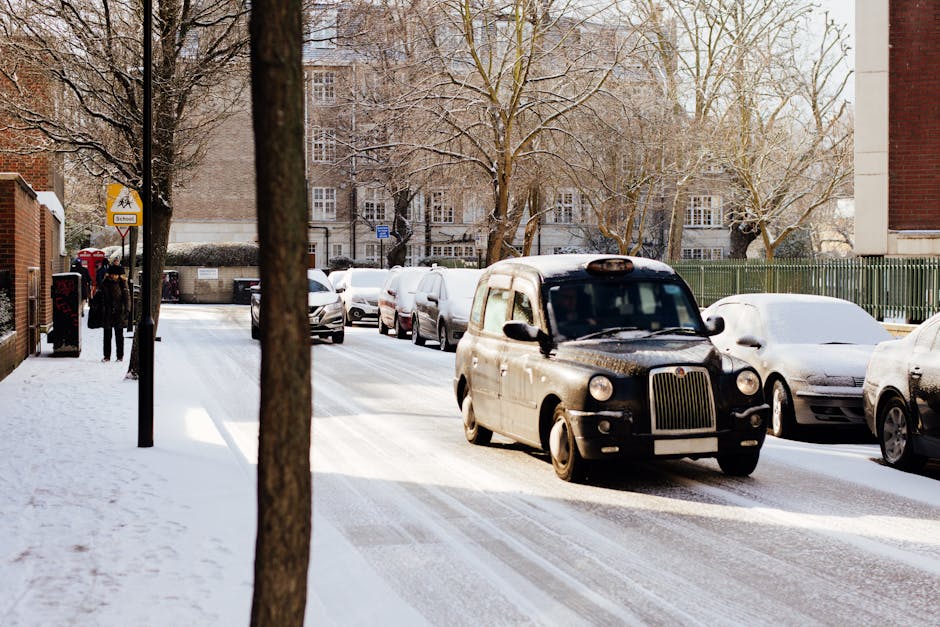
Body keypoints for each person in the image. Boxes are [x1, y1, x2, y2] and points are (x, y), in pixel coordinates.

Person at [97, 261, 130, 362]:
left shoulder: (122, 284)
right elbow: (100, 297)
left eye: (115, 274)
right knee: (107, 336)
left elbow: (126, 298)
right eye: (112, 274)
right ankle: (107, 356)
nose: (113, 276)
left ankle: (119, 356)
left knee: (119, 336)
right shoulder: (105, 283)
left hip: (119, 312)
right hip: (107, 312)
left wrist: (127, 310)